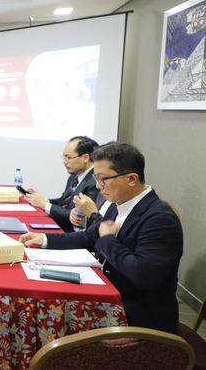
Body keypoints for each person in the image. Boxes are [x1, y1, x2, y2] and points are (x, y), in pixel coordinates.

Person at [19, 141, 183, 334]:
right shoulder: (119, 203)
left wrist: (107, 240)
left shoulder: (160, 219)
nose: (98, 186)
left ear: (131, 179)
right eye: (96, 178)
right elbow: (89, 237)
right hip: (109, 299)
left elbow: (143, 275)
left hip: (138, 320)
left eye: (103, 179)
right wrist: (44, 239)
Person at [25, 136, 100, 232]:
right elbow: (64, 202)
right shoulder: (74, 176)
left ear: (85, 157)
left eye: (68, 157)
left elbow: (78, 216)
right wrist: (41, 199)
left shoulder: (94, 182)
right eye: (64, 157)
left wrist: (44, 205)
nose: (64, 162)